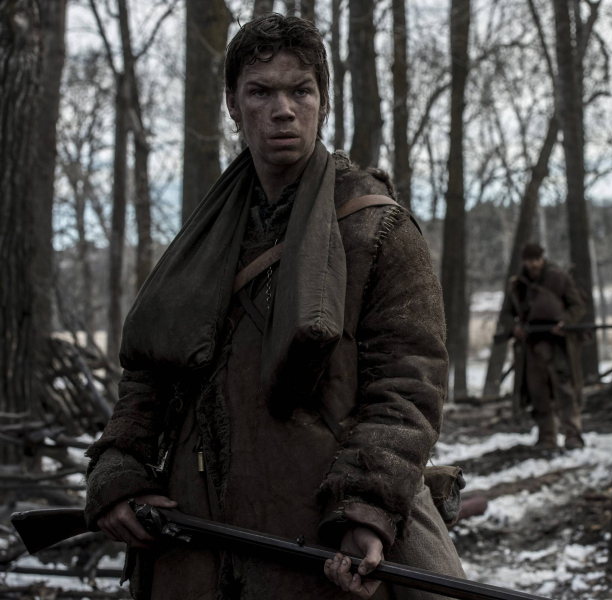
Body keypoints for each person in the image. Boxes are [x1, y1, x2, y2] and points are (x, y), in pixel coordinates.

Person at [83, 14, 464, 600]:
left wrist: (365, 510)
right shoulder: (204, 238)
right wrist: (119, 471)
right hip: (197, 549)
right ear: (233, 106)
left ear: (323, 102)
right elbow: (151, 373)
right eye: (260, 92)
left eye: (300, 91)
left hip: (318, 540)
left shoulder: (378, 229)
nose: (282, 110)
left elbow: (408, 387)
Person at [508, 243, 586, 450]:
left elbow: (577, 305)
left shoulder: (559, 278)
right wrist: (515, 327)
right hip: (532, 346)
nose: (533, 264)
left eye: (536, 259)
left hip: (557, 344)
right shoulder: (518, 284)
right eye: (529, 260)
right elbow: (507, 313)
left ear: (542, 259)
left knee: (565, 392)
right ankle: (547, 438)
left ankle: (573, 436)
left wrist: (565, 322)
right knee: (538, 394)